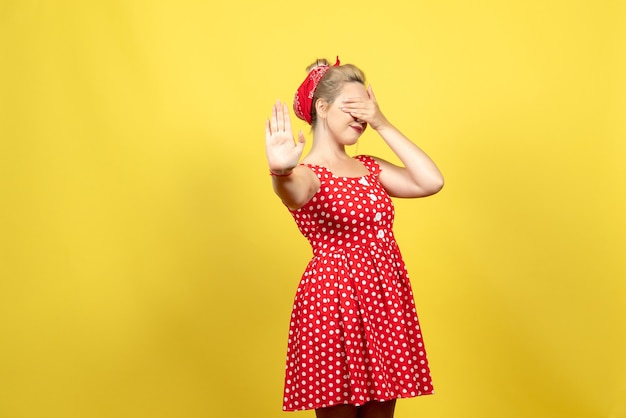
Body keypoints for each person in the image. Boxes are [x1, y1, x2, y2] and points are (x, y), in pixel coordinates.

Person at [264, 57, 444, 418]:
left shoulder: (371, 167)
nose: (361, 117)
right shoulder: (307, 174)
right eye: (352, 107)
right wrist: (280, 171)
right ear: (322, 107)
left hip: (383, 301)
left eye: (366, 108)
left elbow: (430, 181)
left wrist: (382, 123)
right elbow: (293, 191)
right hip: (334, 304)